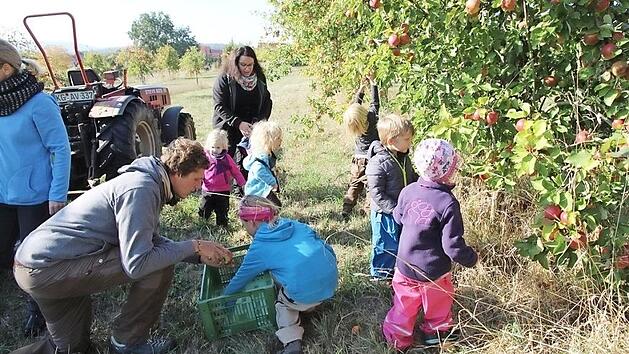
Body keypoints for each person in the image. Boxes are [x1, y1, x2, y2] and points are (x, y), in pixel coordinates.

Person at [11, 138, 234, 354]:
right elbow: (138, 263)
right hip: (46, 268)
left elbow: (148, 240)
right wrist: (193, 245)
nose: (198, 187)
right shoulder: (142, 189)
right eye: (196, 179)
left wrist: (195, 253)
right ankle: (127, 344)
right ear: (177, 172)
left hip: (37, 264)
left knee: (70, 347)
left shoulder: (147, 181)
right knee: (156, 264)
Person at [0, 39, 71, 337]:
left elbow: (61, 149)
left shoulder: (39, 103)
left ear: (4, 68)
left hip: (35, 195)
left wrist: (57, 193)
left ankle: (37, 310)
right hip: (3, 194)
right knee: (3, 250)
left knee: (32, 258)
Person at [382, 138, 478, 349]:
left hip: (404, 265)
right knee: (439, 302)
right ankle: (436, 332)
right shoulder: (447, 203)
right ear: (447, 171)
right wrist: (470, 257)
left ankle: (397, 337)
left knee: (404, 303)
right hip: (434, 271)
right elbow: (451, 246)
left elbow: (398, 218)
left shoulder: (408, 192)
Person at [224, 195, 338, 354]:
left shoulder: (259, 247)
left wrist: (225, 301)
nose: (245, 229)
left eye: (244, 225)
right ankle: (312, 304)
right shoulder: (295, 224)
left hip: (307, 292)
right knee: (291, 273)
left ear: (252, 222)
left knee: (282, 303)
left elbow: (240, 279)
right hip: (331, 281)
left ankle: (292, 341)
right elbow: (326, 247)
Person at [365, 114, 417, 280]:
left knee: (400, 242)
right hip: (385, 214)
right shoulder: (378, 162)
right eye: (407, 139)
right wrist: (394, 209)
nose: (410, 142)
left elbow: (410, 176)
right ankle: (380, 275)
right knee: (384, 244)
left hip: (401, 211)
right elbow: (377, 192)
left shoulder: (403, 157)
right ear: (392, 141)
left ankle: (397, 270)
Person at [212, 45, 273, 182]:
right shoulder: (225, 79)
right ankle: (219, 192)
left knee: (247, 162)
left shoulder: (260, 79)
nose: (247, 68)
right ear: (236, 63)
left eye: (250, 65)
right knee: (222, 164)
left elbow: (267, 102)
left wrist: (258, 123)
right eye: (243, 65)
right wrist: (238, 123)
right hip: (228, 127)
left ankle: (244, 191)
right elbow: (219, 106)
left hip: (251, 127)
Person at [341, 74, 379, 221]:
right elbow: (375, 104)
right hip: (372, 159)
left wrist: (361, 89)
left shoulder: (354, 126)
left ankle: (347, 208)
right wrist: (373, 84)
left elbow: (355, 106)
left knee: (354, 184)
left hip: (357, 160)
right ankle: (369, 211)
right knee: (371, 187)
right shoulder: (371, 119)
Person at [198, 129, 246, 227]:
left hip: (223, 191)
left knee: (222, 211)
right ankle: (202, 223)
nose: (215, 150)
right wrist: (199, 181)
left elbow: (236, 172)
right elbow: (200, 170)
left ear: (224, 147)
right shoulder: (206, 158)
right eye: (212, 147)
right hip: (208, 190)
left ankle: (222, 225)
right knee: (204, 208)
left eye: (218, 147)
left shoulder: (227, 159)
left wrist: (243, 183)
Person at [243, 120, 283, 207]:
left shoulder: (264, 154)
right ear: (269, 141)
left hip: (260, 190)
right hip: (257, 193)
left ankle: (269, 219)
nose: (281, 140)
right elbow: (259, 170)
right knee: (275, 207)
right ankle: (269, 220)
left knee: (276, 206)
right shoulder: (260, 157)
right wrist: (272, 182)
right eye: (278, 138)